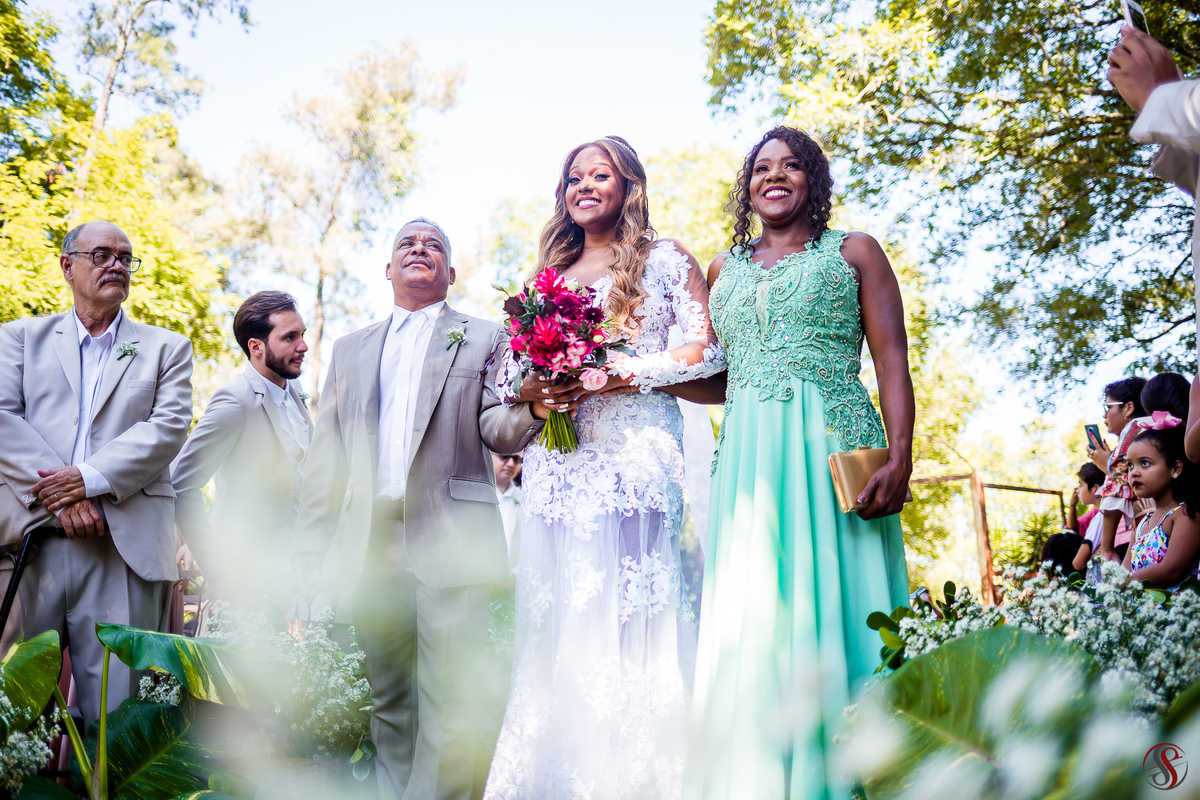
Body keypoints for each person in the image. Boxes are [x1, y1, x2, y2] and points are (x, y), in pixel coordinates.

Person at [484, 136, 725, 799]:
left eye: (601, 175)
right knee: (557, 623)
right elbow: (509, 381)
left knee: (627, 622)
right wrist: (540, 391)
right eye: (573, 178)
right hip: (559, 469)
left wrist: (626, 371)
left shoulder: (666, 260)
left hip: (634, 464)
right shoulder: (545, 280)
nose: (584, 185)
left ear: (630, 188)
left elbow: (707, 353)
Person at [683, 127, 914, 800]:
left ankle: (856, 776)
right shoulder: (723, 268)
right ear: (746, 185)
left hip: (835, 449)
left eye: (790, 166)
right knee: (753, 619)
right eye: (761, 168)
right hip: (749, 459)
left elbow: (891, 360)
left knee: (846, 608)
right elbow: (722, 377)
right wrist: (635, 376)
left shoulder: (855, 252)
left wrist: (901, 456)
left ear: (814, 178)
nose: (774, 176)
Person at [292, 218, 542, 800]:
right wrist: (309, 547)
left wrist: (537, 403)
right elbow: (326, 458)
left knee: (450, 706)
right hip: (370, 547)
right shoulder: (350, 350)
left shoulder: (486, 337)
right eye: (407, 242)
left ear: (451, 274)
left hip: (451, 542)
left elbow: (497, 428)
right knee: (390, 703)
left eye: (434, 245)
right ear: (387, 268)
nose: (419, 249)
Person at [0, 221, 193, 727]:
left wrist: (88, 479)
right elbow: (2, 418)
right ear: (67, 265)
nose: (117, 266)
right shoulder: (19, 338)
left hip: (122, 546)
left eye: (126, 258)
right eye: (102, 254)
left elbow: (169, 425)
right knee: (14, 712)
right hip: (31, 540)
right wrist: (64, 498)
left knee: (116, 717)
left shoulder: (167, 347)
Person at [171, 291, 313, 617]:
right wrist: (217, 568)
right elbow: (181, 483)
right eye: (289, 337)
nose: (303, 346)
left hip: (291, 579)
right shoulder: (235, 401)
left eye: (302, 335)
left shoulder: (296, 392)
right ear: (256, 347)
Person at [1123, 415, 1200, 590]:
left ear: (1175, 468)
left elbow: (1171, 571)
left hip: (1171, 613)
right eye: (1130, 465)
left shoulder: (1185, 514)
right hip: (1138, 614)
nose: (1134, 472)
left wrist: (1121, 584)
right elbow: (1124, 572)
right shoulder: (1142, 524)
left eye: (1144, 463)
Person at [1090, 376, 1148, 563]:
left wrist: (1106, 548)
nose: (1104, 416)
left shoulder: (1133, 429)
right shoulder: (1152, 428)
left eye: (1108, 407)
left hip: (1150, 525)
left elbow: (1118, 485)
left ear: (1129, 408)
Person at [1070, 463, 1107, 582]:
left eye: (1081, 484)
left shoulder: (1099, 518)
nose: (1077, 490)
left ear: (1095, 488)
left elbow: (1077, 563)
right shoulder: (1112, 514)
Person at [491, 452, 522, 568]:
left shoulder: (525, 499)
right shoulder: (475, 496)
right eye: (504, 457)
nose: (510, 464)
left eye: (516, 459)